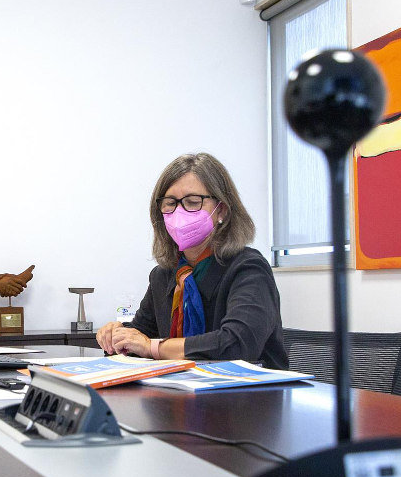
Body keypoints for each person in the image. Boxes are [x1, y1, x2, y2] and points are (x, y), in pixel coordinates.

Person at [96, 153, 287, 369]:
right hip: (183, 394)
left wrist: (153, 347)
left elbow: (237, 344)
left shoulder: (248, 268)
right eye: (170, 204)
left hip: (251, 396)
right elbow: (142, 335)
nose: (179, 213)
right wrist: (118, 336)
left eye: (193, 202)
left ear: (221, 210)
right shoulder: (165, 274)